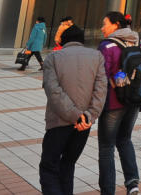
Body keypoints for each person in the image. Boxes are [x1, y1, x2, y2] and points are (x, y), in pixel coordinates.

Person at [40, 24, 107, 195]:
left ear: (64, 41)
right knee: (68, 164)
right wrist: (88, 116)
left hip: (58, 123)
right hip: (83, 125)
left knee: (49, 166)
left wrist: (76, 115)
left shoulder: (52, 58)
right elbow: (101, 90)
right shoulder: (96, 57)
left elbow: (53, 91)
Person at [98, 11, 141, 195]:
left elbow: (100, 76)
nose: (102, 28)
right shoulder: (140, 42)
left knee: (106, 147)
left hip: (113, 102)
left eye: (105, 23)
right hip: (133, 100)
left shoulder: (107, 45)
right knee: (125, 140)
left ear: (116, 24)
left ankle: (108, 190)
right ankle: (132, 183)